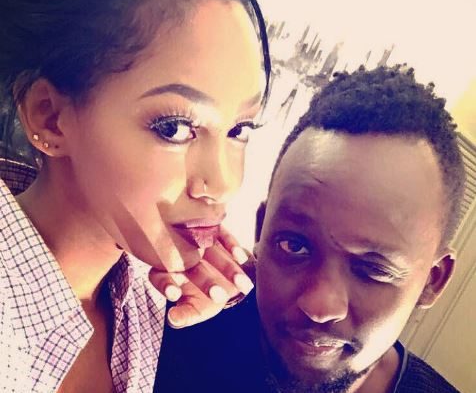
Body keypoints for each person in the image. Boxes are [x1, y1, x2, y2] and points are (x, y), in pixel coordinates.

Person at [0, 0, 271, 391]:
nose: (223, 183)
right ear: (50, 117)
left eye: (239, 129)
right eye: (175, 127)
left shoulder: (142, 296)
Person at [156, 65, 465, 393]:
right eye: (293, 246)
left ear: (433, 280)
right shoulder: (174, 333)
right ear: (261, 231)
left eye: (373, 269)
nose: (318, 307)